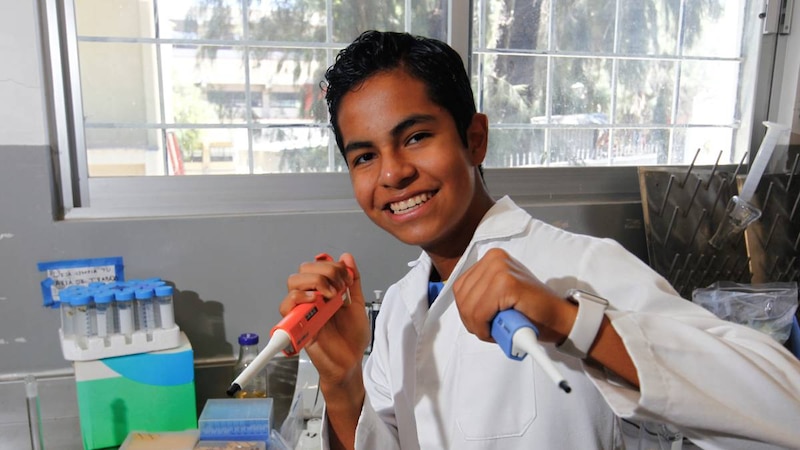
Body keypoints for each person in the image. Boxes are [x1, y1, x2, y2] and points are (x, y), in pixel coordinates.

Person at [279, 30, 800, 450]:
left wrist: (570, 322)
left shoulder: (580, 269)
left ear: (474, 139)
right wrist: (343, 381)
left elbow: (786, 406)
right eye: (364, 156)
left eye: (415, 137)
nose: (392, 174)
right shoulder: (398, 308)